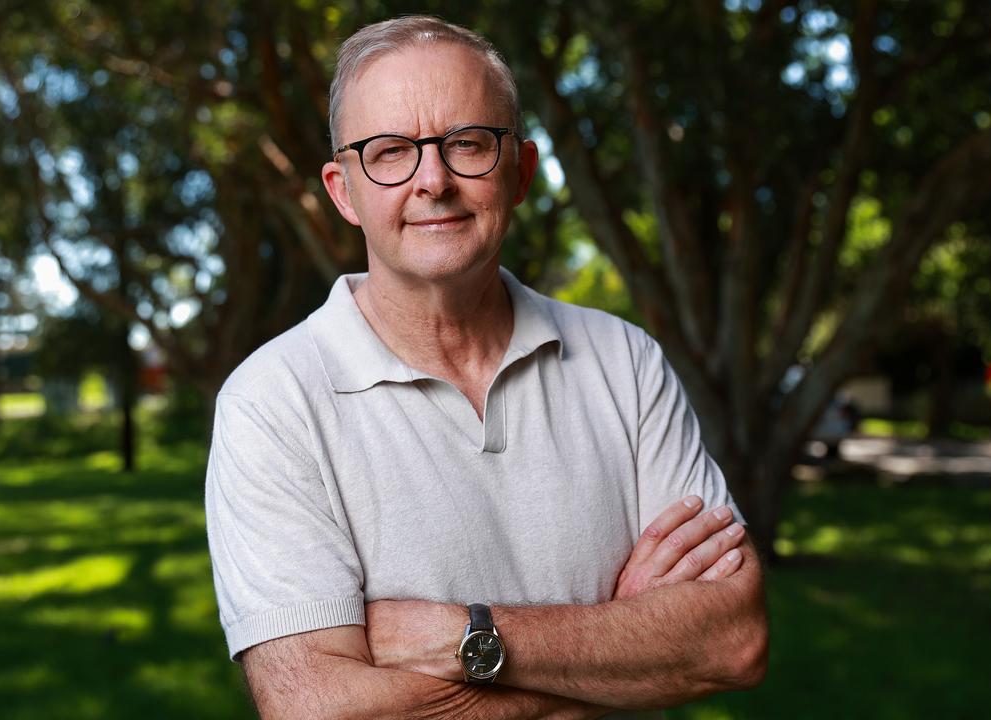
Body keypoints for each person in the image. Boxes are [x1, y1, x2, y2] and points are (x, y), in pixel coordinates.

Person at [205, 15, 768, 719]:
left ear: (521, 170)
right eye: (388, 152)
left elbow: (733, 638)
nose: (432, 180)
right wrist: (615, 661)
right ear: (344, 190)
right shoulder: (272, 401)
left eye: (467, 143)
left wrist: (463, 636)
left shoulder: (625, 361)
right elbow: (319, 710)